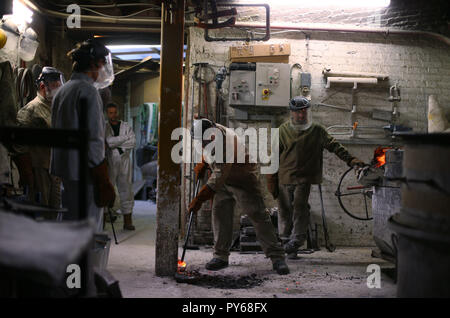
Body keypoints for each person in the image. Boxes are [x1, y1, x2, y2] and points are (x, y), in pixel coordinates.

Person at [267, 96, 366, 259]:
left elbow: (334, 146)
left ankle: (296, 241)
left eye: (305, 111)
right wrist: (271, 179)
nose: (302, 115)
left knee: (300, 208)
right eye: (299, 112)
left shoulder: (317, 130)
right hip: (285, 178)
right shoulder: (282, 131)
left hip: (304, 179)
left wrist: (351, 160)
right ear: (292, 113)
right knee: (285, 211)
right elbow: (273, 157)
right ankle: (286, 243)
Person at [189, 118, 290, 275]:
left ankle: (277, 257)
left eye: (204, 141)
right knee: (220, 214)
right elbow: (210, 154)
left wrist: (199, 199)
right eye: (200, 141)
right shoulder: (210, 131)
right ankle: (220, 256)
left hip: (243, 178)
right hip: (223, 179)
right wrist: (204, 162)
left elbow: (218, 176)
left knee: (258, 215)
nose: (202, 145)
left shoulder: (225, 143)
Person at [51, 39, 115, 232]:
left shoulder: (63, 90)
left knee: (69, 222)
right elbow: (94, 139)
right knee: (87, 229)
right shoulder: (88, 91)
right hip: (86, 173)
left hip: (67, 170)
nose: (103, 70)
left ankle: (66, 262)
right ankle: (82, 263)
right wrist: (102, 177)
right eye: (103, 65)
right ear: (95, 64)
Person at [12, 67, 64, 209]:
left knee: (55, 212)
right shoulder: (31, 110)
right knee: (42, 213)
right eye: (55, 87)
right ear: (43, 86)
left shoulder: (55, 108)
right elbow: (17, 144)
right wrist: (27, 172)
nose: (59, 90)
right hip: (39, 171)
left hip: (55, 171)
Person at [105, 102, 136, 230]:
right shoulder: (105, 127)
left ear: (118, 112)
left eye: (115, 112)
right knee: (107, 188)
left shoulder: (126, 126)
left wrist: (116, 144)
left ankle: (127, 221)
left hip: (124, 160)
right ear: (107, 114)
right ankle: (103, 219)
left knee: (126, 189)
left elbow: (133, 141)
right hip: (110, 160)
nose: (113, 115)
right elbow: (108, 142)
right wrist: (124, 138)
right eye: (111, 113)